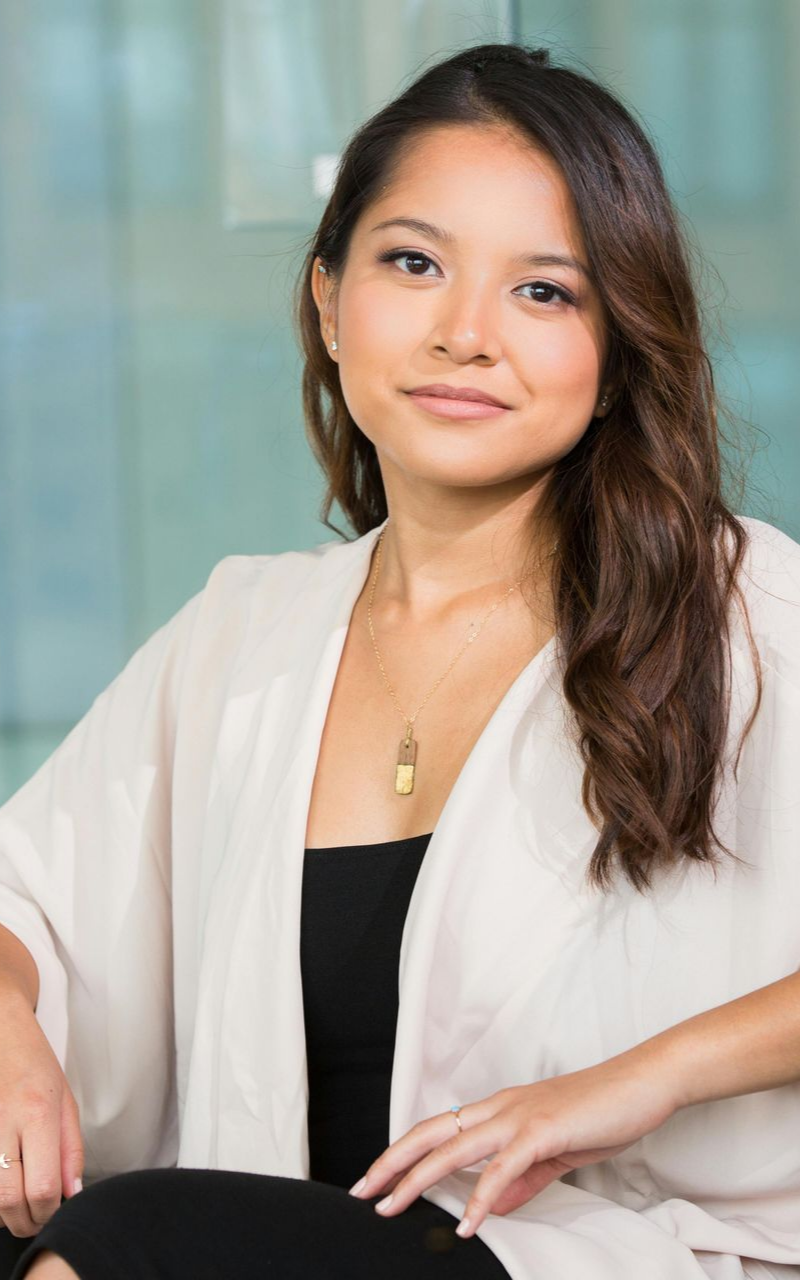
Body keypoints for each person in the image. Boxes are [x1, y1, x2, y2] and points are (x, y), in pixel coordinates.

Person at [0, 38, 798, 1280]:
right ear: (328, 300)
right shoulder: (243, 632)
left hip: (608, 1257)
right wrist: (7, 1018)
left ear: (616, 346)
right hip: (279, 1245)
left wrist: (635, 1081)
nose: (465, 334)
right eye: (413, 263)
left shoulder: (744, 608)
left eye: (544, 291)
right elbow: (27, 892)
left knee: (129, 1240)